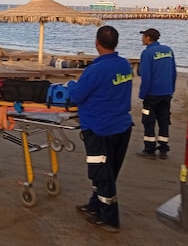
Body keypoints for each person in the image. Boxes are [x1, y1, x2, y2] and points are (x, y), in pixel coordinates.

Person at [67, 26, 133, 233]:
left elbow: (76, 96)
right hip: (121, 127)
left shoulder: (96, 69)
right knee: (107, 172)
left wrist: (70, 85)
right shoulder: (124, 65)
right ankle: (95, 206)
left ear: (97, 43)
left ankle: (110, 218)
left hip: (100, 128)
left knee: (101, 173)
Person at [137, 28, 177, 160]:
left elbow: (146, 76)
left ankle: (149, 149)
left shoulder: (147, 53)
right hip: (166, 92)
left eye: (143, 36)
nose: (142, 39)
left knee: (148, 121)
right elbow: (173, 72)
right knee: (164, 119)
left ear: (148, 38)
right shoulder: (168, 50)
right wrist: (171, 89)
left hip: (152, 94)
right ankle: (164, 148)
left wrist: (143, 94)